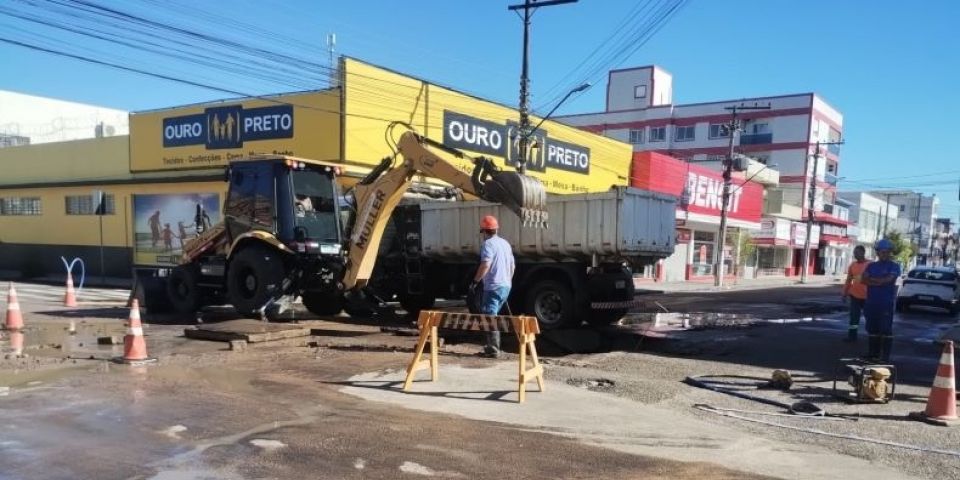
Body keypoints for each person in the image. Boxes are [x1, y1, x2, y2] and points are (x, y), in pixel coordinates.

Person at [469, 215, 515, 358]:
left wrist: (475, 281)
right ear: (496, 229)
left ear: (484, 231)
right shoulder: (505, 243)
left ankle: (493, 349)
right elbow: (512, 266)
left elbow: (486, 264)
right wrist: (507, 281)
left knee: (489, 316)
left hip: (493, 286)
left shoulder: (488, 244)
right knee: (492, 315)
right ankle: (493, 347)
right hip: (505, 286)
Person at [861, 239, 901, 361]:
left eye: (887, 252)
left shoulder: (894, 266)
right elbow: (863, 280)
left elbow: (888, 280)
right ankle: (873, 354)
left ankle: (885, 356)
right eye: (882, 252)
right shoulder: (871, 266)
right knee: (872, 328)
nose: (884, 254)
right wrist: (879, 281)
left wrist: (873, 279)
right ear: (877, 252)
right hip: (871, 303)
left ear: (890, 252)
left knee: (885, 329)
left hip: (885, 303)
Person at [841, 245, 870, 342]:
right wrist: (844, 293)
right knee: (854, 318)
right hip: (854, 296)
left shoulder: (870, 265)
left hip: (868, 297)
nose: (855, 254)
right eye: (854, 253)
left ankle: (873, 336)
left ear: (863, 253)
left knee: (870, 317)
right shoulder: (852, 265)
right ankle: (852, 336)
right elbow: (848, 280)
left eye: (857, 252)